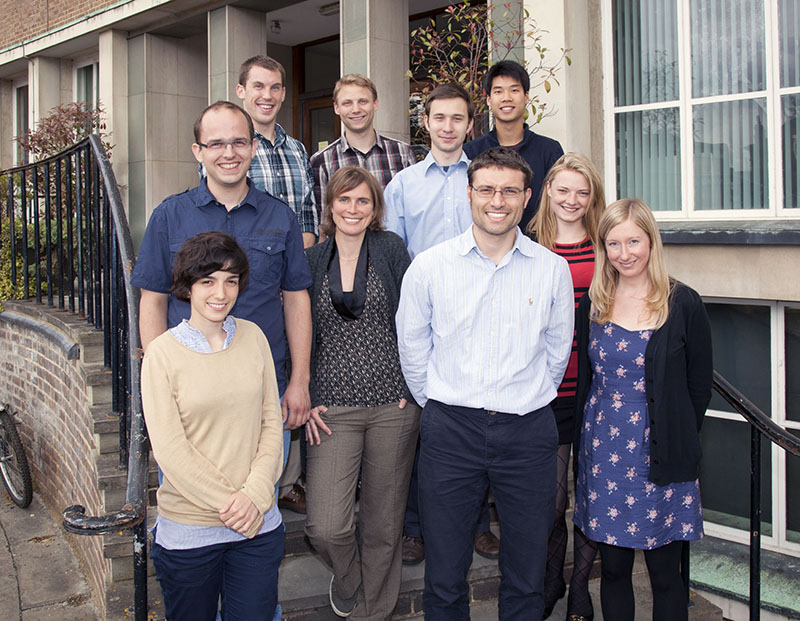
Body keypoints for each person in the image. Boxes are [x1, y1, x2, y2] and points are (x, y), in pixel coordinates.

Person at [396, 147, 574, 619]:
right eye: (487, 190)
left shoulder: (551, 269)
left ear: (527, 197)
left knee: (527, 575)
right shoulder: (429, 267)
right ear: (469, 193)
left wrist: (523, 398)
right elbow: (412, 348)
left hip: (528, 432)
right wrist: (441, 403)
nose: (498, 201)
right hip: (451, 431)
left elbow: (557, 352)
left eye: (510, 191)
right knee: (444, 577)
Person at [131, 101, 313, 526]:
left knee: (258, 502)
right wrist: (159, 379)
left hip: (263, 391)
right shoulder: (169, 216)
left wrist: (300, 381)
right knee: (193, 508)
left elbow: (296, 299)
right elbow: (152, 300)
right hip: (190, 398)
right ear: (198, 151)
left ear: (253, 147)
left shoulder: (280, 216)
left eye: (238, 142)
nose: (228, 153)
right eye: (216, 143)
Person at [573, 199, 713, 621]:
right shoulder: (594, 303)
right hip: (605, 455)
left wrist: (675, 435)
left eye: (633, 241)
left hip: (661, 456)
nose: (624, 253)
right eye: (613, 243)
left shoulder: (683, 302)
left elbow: (698, 385)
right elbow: (586, 381)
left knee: (665, 575)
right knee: (614, 570)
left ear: (652, 241)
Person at [142, 232, 284, 621]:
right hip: (191, 534)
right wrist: (233, 504)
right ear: (188, 286)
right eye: (208, 281)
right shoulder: (161, 354)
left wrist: (253, 496)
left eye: (230, 281)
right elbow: (170, 450)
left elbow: (271, 424)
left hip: (257, 527)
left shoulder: (254, 338)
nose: (221, 293)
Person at [383, 82, 495, 563]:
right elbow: (391, 257)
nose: (448, 127)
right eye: (439, 118)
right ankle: (416, 528)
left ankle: (478, 524)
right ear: (424, 123)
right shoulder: (402, 185)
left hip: (481, 318)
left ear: (470, 125)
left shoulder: (486, 179)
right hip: (424, 322)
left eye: (458, 118)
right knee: (423, 426)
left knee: (478, 422)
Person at [303, 167, 420, 619]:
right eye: (344, 200)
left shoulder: (390, 249)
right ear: (330, 205)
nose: (353, 209)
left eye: (363, 201)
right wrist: (305, 391)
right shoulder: (312, 260)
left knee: (383, 523)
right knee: (326, 526)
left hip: (394, 405)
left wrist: (412, 386)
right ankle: (350, 578)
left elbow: (415, 319)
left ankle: (375, 611)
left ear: (375, 209)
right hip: (331, 408)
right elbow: (299, 331)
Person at [526, 153, 605, 620]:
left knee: (592, 498)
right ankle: (551, 577)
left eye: (582, 192)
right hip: (549, 390)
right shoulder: (527, 243)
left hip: (598, 390)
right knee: (553, 503)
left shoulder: (605, 247)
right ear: (548, 192)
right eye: (563, 190)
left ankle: (579, 587)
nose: (572, 200)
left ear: (592, 198)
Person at [463, 60, 563, 232]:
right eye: (498, 91)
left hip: (541, 243)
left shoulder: (549, 150)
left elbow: (560, 202)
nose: (506, 97)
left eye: (514, 90)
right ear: (489, 100)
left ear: (526, 97)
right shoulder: (471, 152)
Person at [237, 55, 318, 249]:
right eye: (258, 86)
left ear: (283, 94)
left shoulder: (298, 149)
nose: (267, 96)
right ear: (241, 90)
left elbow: (307, 215)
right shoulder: (227, 151)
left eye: (274, 88)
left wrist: (296, 258)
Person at [311, 74, 416, 223]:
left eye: (363, 101)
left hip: (394, 238)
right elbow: (324, 223)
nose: (356, 109)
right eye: (347, 103)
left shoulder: (402, 153)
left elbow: (413, 212)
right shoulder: (322, 161)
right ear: (336, 108)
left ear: (375, 104)